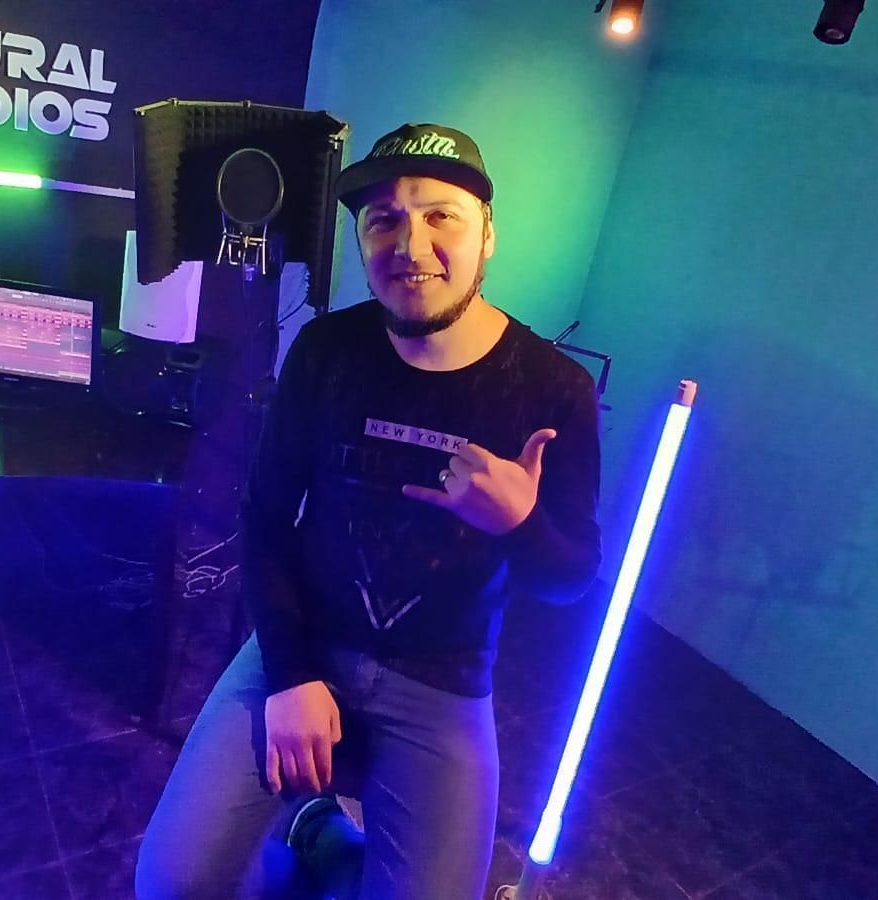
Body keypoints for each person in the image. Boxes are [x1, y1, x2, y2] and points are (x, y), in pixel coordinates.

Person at [136, 122, 603, 900]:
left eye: (440, 215)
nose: (411, 244)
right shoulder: (326, 351)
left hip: (442, 683)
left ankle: (324, 835)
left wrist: (520, 524)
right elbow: (265, 517)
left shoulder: (555, 388)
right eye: (384, 219)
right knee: (171, 884)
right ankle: (316, 830)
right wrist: (290, 675)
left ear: (488, 235)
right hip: (304, 644)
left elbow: (571, 579)